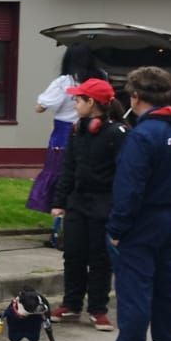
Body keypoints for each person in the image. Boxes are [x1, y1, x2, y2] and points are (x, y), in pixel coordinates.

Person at [84, 66, 171, 341]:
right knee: (169, 286)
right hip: (170, 215)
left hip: (143, 220)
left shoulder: (142, 135)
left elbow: (129, 186)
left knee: (135, 288)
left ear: (134, 96)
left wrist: (117, 228)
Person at [49, 77, 127, 332]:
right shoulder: (77, 130)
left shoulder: (117, 134)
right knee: (73, 255)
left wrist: (119, 208)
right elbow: (67, 168)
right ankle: (71, 304)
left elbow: (125, 174)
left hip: (104, 205)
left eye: (78, 99)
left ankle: (98, 309)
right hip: (77, 204)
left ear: (91, 102)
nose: (74, 102)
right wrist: (59, 202)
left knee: (99, 258)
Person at [27, 45, 107, 241]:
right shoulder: (101, 77)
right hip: (94, 133)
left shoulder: (65, 81)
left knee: (61, 179)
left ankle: (59, 232)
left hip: (63, 134)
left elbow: (40, 107)